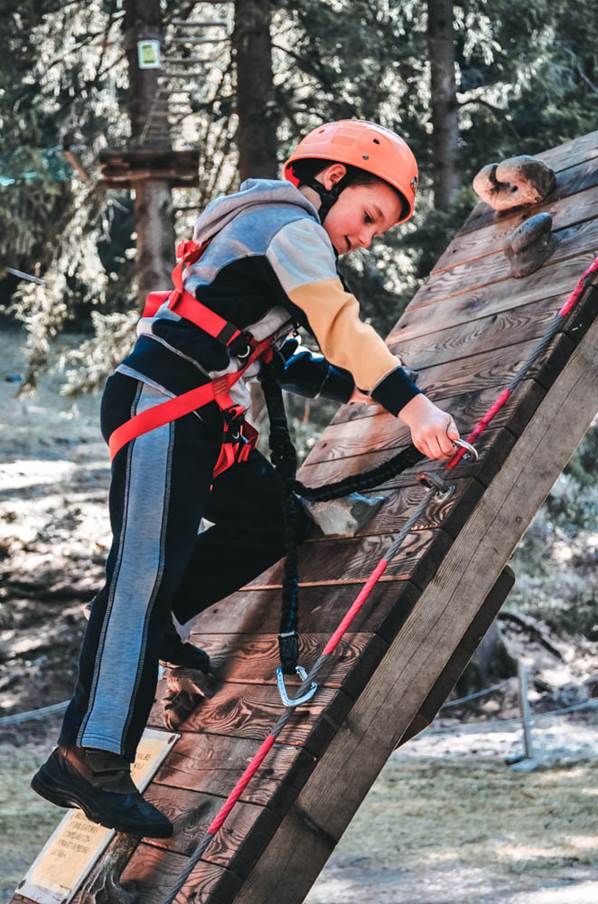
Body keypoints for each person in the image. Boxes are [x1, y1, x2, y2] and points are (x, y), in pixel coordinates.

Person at [31, 120, 460, 837]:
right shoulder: (292, 229)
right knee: (140, 575)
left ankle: (161, 621)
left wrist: (344, 386)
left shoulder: (268, 229)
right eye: (369, 216)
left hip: (195, 418)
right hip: (162, 405)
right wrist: (408, 402)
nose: (367, 236)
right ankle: (91, 756)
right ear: (331, 179)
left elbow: (263, 350)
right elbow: (340, 321)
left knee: (276, 519)